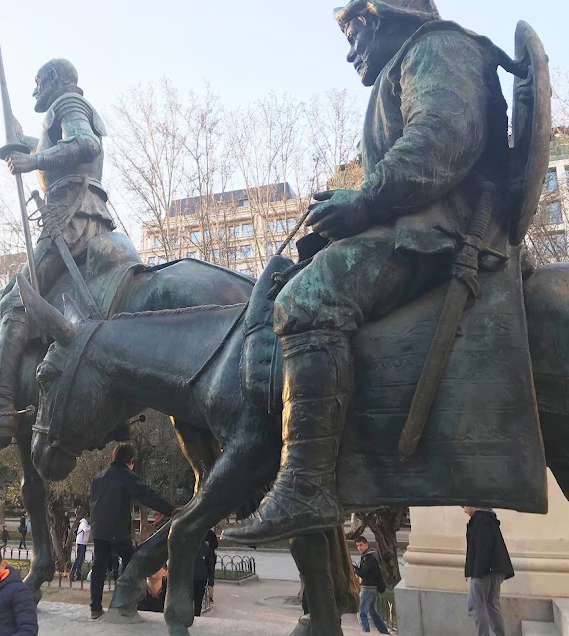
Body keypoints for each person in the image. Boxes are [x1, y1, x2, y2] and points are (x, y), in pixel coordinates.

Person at [226, 0, 514, 543]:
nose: (350, 50)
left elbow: (440, 141)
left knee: (305, 302)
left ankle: (307, 486)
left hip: (440, 236)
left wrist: (364, 202)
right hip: (423, 226)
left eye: (356, 32)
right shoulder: (412, 62)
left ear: (387, 17)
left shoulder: (437, 47)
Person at [0, 58, 114, 442]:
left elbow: (84, 143)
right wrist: (24, 142)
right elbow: (57, 146)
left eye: (37, 82)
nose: (35, 91)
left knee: (17, 303)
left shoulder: (66, 103)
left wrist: (32, 159)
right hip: (86, 215)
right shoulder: (63, 111)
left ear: (54, 80)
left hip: (71, 219)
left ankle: (0, 405)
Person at [88, 443, 179, 619]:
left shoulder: (98, 478)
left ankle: (95, 608)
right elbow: (147, 494)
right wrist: (171, 509)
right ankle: (125, 598)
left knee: (99, 567)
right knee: (132, 562)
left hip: (99, 529)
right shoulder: (125, 476)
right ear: (131, 461)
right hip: (118, 530)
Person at [463, 506, 514, 636]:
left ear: (472, 503)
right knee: (492, 605)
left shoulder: (479, 520)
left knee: (475, 605)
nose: (464, 510)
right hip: (496, 569)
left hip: (484, 570)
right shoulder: (488, 518)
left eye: (464, 506)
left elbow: (483, 547)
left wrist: (478, 571)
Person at [353, 536, 390, 634]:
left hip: (368, 588)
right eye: (357, 546)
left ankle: (365, 632)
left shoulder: (369, 558)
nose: (359, 548)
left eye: (361, 545)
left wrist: (354, 569)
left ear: (366, 544)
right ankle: (384, 631)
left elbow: (363, 573)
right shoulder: (370, 556)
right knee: (372, 611)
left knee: (361, 613)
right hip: (372, 588)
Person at [192, 540, 215, 617]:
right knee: (188, 601)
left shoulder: (206, 549)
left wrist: (211, 582)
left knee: (198, 602)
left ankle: (196, 617)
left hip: (201, 580)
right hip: (188, 579)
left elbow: (211, 566)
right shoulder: (188, 547)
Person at [69, 514, 91, 582]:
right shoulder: (83, 523)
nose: (91, 520)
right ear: (87, 518)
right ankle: (72, 574)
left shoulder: (86, 523)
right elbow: (86, 530)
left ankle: (78, 574)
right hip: (80, 543)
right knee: (78, 558)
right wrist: (92, 526)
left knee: (82, 559)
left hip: (84, 543)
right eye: (90, 519)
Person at [205, 528, 219, 603]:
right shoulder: (199, 532)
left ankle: (210, 595)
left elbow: (216, 545)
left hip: (210, 558)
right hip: (201, 558)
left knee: (211, 577)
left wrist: (209, 544)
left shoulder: (211, 533)